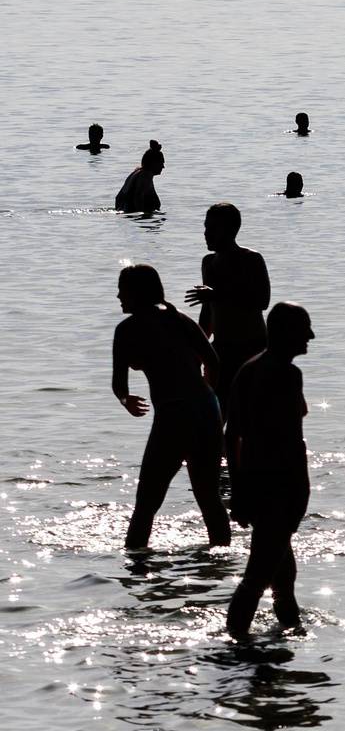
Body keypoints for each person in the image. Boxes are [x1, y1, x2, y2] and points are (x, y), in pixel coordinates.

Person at [111, 264, 230, 551]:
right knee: (208, 497)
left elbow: (118, 382)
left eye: (122, 290)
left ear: (138, 293)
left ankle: (136, 570)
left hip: (173, 415)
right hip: (206, 410)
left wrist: (127, 401)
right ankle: (222, 562)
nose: (117, 296)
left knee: (147, 502)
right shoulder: (182, 320)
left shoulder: (127, 330)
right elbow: (213, 362)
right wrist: (207, 393)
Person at [224, 303, 315, 640]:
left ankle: (290, 628)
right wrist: (296, 493)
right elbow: (287, 439)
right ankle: (235, 644)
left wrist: (238, 489)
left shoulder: (248, 369)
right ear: (285, 332)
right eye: (304, 327)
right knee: (258, 575)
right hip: (280, 486)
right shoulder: (285, 374)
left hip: (259, 484)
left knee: (282, 574)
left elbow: (231, 435)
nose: (311, 335)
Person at [185, 202, 271, 413]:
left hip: (253, 348)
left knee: (251, 414)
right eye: (205, 227)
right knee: (214, 412)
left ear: (231, 230)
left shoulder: (251, 259)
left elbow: (262, 301)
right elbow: (208, 313)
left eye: (212, 229)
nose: (206, 234)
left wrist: (217, 295)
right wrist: (198, 350)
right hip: (221, 349)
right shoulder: (208, 262)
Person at [115, 143, 164, 214]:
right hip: (139, 219)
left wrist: (120, 211)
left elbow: (118, 198)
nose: (163, 166)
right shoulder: (145, 175)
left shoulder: (137, 172)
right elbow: (138, 197)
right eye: (161, 163)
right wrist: (140, 216)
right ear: (153, 163)